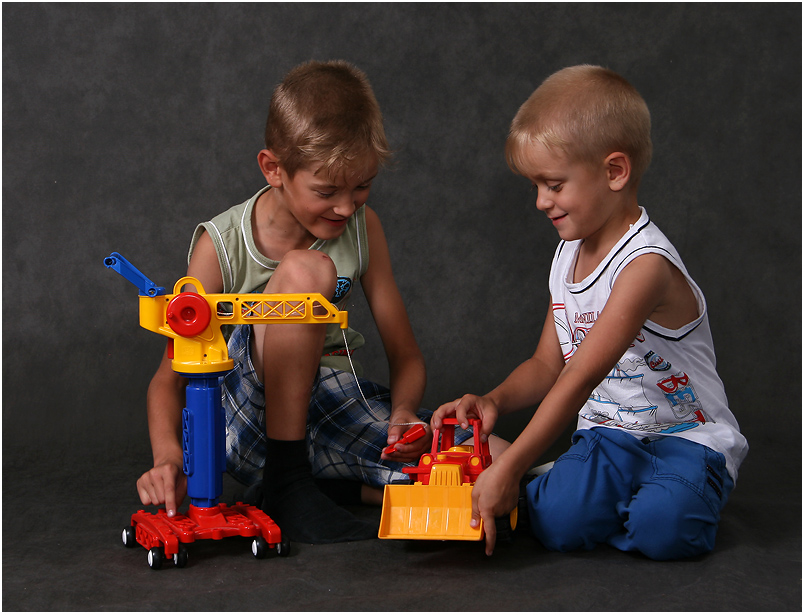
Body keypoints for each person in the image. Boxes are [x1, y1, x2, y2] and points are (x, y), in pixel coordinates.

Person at [135, 60, 464, 544]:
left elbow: (406, 356)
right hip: (250, 416)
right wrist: (167, 459)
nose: (347, 207)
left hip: (332, 403)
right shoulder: (220, 246)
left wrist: (404, 412)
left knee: (478, 465)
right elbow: (167, 384)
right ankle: (288, 479)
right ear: (274, 169)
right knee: (307, 271)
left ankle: (315, 485)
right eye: (327, 191)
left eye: (362, 187)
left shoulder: (363, 227)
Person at [433, 65, 748, 559]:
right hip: (610, 436)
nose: (541, 201)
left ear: (614, 172)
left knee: (663, 531)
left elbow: (579, 375)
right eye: (536, 186)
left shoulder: (645, 265)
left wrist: (512, 465)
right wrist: (494, 399)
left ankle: (655, 494)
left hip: (687, 436)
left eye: (554, 185)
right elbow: (546, 366)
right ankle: (585, 490)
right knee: (560, 526)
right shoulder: (567, 255)